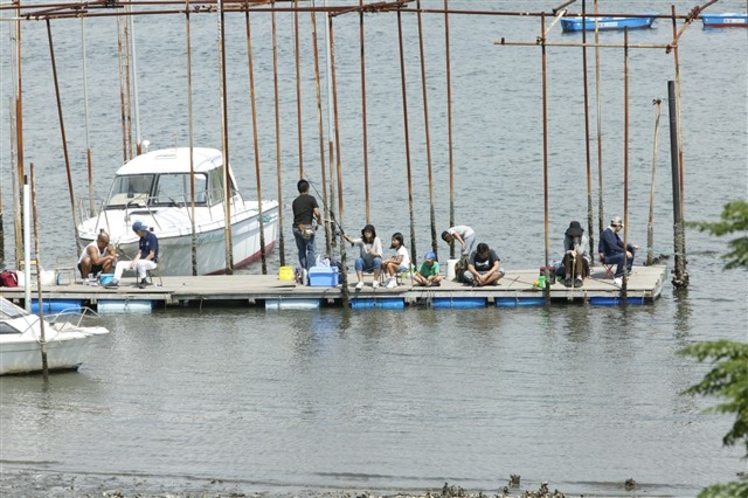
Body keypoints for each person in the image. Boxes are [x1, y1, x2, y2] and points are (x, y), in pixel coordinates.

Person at [106, 221, 159, 289]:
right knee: (120, 263)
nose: (141, 231)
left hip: (151, 262)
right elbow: (139, 253)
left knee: (140, 262)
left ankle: (143, 281)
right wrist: (134, 262)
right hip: (141, 262)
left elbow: (152, 254)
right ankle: (115, 281)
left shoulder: (152, 237)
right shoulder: (141, 239)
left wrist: (141, 262)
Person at [292, 179, 322, 283]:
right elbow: (317, 212)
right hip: (306, 229)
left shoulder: (295, 202)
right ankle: (310, 272)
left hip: (296, 228)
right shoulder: (311, 199)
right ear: (307, 188)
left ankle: (303, 270)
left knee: (301, 250)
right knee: (311, 249)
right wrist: (319, 220)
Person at [599, 215, 640, 286]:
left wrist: (631, 246)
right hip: (606, 257)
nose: (621, 228)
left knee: (631, 249)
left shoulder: (613, 233)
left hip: (614, 254)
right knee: (623, 255)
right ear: (617, 226)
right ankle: (618, 276)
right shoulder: (606, 233)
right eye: (620, 227)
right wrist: (625, 252)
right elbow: (612, 246)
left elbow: (620, 243)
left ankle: (627, 269)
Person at [343, 224, 383, 290]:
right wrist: (347, 237)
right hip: (365, 263)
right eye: (366, 232)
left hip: (374, 264)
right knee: (357, 260)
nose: (367, 233)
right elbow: (353, 241)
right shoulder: (362, 240)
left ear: (373, 233)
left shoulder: (377, 240)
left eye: (369, 232)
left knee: (377, 260)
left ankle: (375, 281)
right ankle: (360, 282)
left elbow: (380, 254)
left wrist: (373, 253)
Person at [561, 220, 591, 288]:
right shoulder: (567, 238)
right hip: (570, 258)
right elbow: (566, 250)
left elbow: (580, 252)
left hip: (582, 258)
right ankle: (567, 277)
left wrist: (576, 243)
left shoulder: (583, 238)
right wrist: (570, 252)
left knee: (577, 256)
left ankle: (579, 278)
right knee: (567, 255)